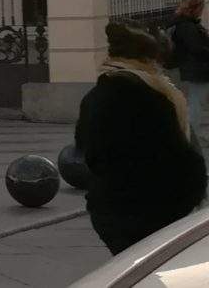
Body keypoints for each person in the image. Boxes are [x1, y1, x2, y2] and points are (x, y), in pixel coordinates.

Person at [77, 20, 209, 254]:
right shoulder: (154, 96)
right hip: (155, 211)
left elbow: (86, 151)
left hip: (110, 210)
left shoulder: (96, 94)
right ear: (151, 57)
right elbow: (179, 156)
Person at [172, 0, 209, 141]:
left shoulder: (185, 24)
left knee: (197, 100)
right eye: (200, 9)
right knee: (197, 102)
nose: (201, 12)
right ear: (193, 9)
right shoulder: (187, 27)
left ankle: (192, 132)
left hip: (195, 67)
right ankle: (192, 133)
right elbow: (196, 48)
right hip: (197, 69)